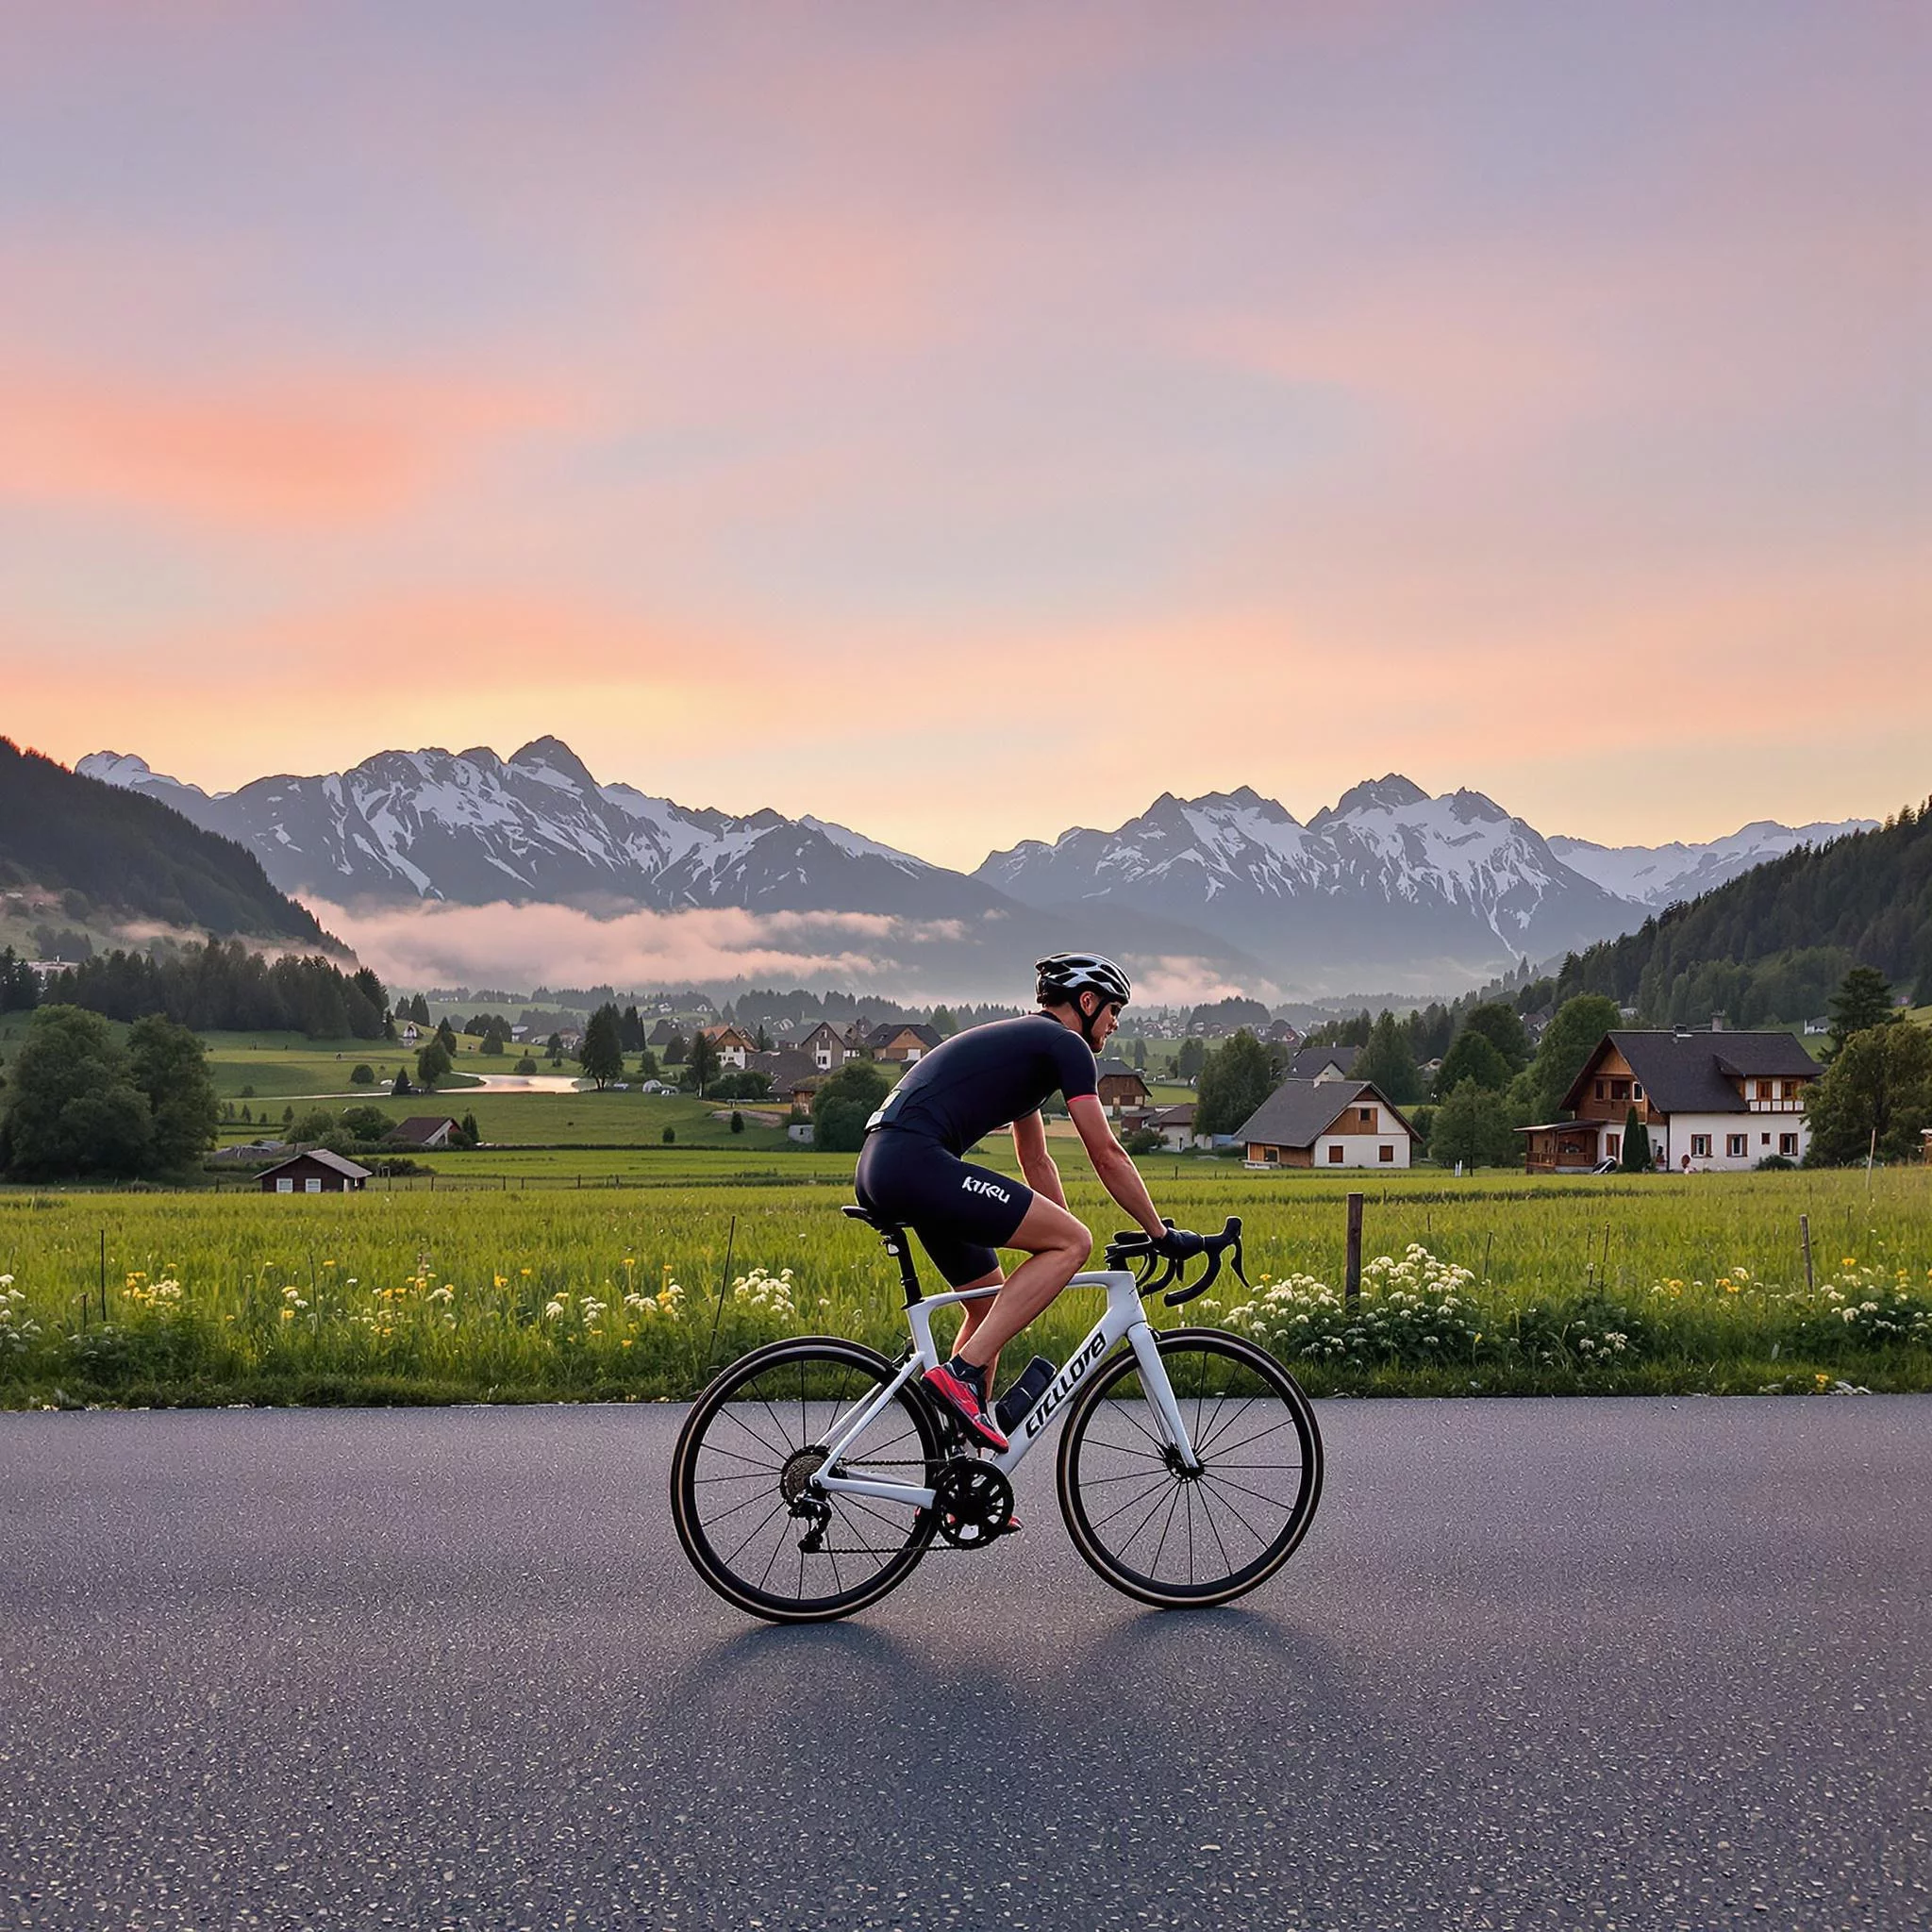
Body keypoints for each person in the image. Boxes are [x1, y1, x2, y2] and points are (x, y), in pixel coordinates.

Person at [854, 953, 1205, 1452]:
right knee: (1071, 1243)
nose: (1115, 1023)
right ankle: (962, 1376)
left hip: (886, 1165)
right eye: (1112, 1010)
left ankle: (956, 1481)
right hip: (913, 1164)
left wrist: (1063, 1241)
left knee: (986, 1304)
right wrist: (1160, 1233)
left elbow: (1037, 1162)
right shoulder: (1067, 1047)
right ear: (1087, 1002)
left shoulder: (1029, 1050)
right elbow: (1105, 1152)